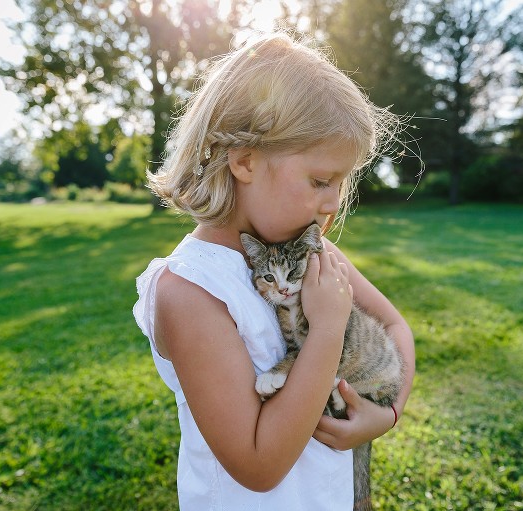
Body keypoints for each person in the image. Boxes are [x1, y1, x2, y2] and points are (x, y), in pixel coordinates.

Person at [133, 32, 415, 510]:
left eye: (341, 182)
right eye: (321, 181)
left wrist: (386, 415)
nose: (334, 202)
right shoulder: (191, 292)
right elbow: (258, 465)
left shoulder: (314, 254)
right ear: (244, 161)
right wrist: (327, 329)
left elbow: (393, 326)